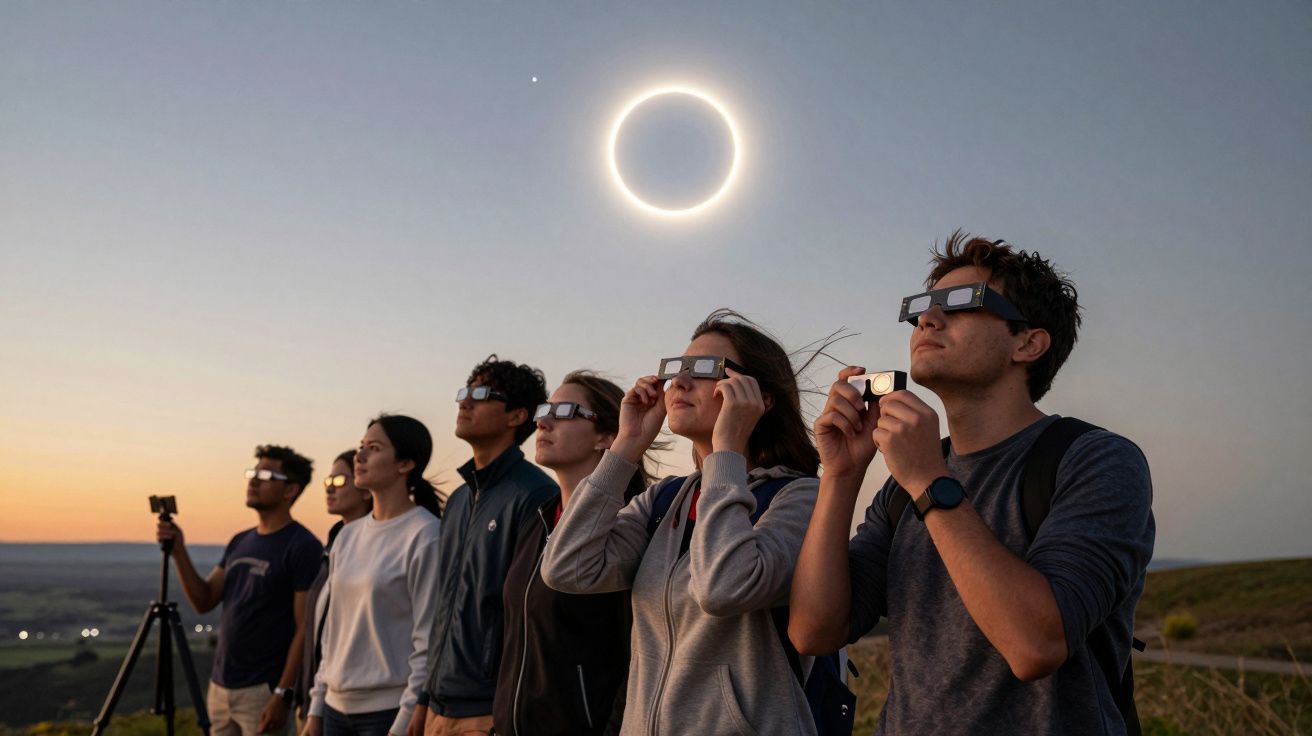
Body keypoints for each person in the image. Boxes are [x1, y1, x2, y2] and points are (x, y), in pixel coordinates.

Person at [789, 231, 1155, 735]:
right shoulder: (903, 489)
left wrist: (927, 480)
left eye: (963, 303)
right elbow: (814, 630)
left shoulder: (1096, 461)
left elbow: (1035, 646)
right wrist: (842, 476)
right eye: (920, 308)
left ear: (1028, 342)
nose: (927, 320)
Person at [540, 310, 822, 736]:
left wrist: (727, 450)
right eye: (678, 369)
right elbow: (567, 568)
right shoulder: (665, 499)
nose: (680, 383)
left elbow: (724, 587)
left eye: (706, 369)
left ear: (760, 399)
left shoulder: (798, 496)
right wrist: (626, 446)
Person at [494, 371, 663, 736]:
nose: (544, 420)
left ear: (606, 436)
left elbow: (640, 659)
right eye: (545, 409)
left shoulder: (631, 527)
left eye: (566, 410)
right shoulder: (537, 520)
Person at [415, 355, 558, 736]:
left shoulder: (537, 494)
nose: (465, 401)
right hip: (438, 704)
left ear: (517, 416)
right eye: (465, 391)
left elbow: (529, 614)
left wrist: (505, 708)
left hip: (488, 710)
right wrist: (423, 698)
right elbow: (444, 604)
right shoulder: (461, 499)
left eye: (482, 393)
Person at [158, 445, 323, 736]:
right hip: (221, 687)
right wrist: (179, 552)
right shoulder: (240, 541)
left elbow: (305, 628)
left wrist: (282, 693)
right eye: (253, 472)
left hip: (262, 690)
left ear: (290, 491)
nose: (254, 480)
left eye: (267, 475)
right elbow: (204, 600)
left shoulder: (302, 546)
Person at [302, 415, 443, 736]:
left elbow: (428, 639)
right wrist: (316, 707)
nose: (359, 456)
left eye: (374, 448)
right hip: (334, 710)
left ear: (405, 463)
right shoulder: (347, 536)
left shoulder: (424, 534)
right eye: (361, 447)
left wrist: (405, 717)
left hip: (387, 712)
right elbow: (332, 632)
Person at [294, 450, 374, 725]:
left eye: (340, 481)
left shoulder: (375, 552)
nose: (329, 486)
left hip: (354, 704)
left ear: (365, 489)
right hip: (317, 697)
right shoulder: (334, 541)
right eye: (328, 480)